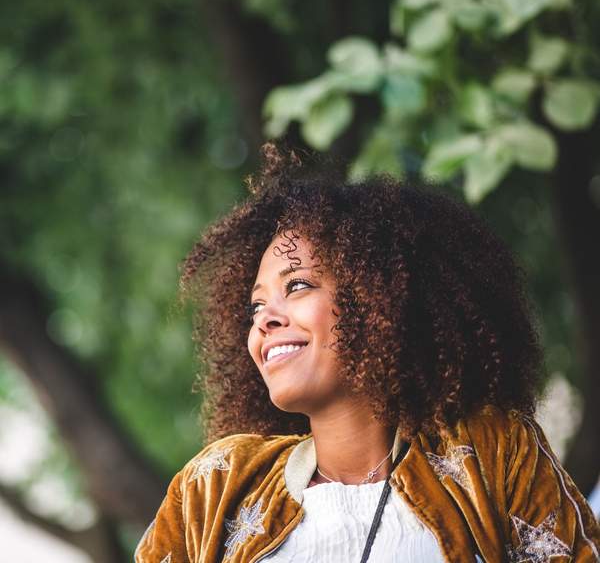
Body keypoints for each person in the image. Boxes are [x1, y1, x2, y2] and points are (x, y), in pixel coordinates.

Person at [135, 143, 600, 562]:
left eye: (297, 286)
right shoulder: (217, 486)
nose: (263, 320)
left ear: (377, 297)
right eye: (255, 305)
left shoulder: (490, 454)